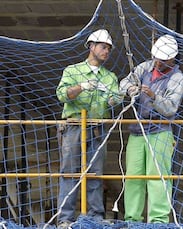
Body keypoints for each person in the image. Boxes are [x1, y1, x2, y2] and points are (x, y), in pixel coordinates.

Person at [55, 29, 120, 228]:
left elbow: (115, 99)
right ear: (91, 46)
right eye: (103, 47)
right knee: (70, 173)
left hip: (97, 127)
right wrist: (81, 86)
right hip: (74, 126)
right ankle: (65, 218)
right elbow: (62, 95)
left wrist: (114, 98)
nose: (106, 51)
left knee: (95, 174)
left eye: (109, 48)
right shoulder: (72, 71)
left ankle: (95, 217)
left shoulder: (110, 77)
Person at [119, 34, 183, 223]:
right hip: (137, 131)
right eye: (156, 58)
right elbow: (123, 83)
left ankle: (158, 221)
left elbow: (171, 108)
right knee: (133, 177)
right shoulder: (144, 68)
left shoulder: (177, 78)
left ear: (171, 59)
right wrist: (131, 89)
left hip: (160, 131)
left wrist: (154, 96)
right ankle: (132, 219)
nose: (158, 62)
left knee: (158, 177)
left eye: (162, 59)